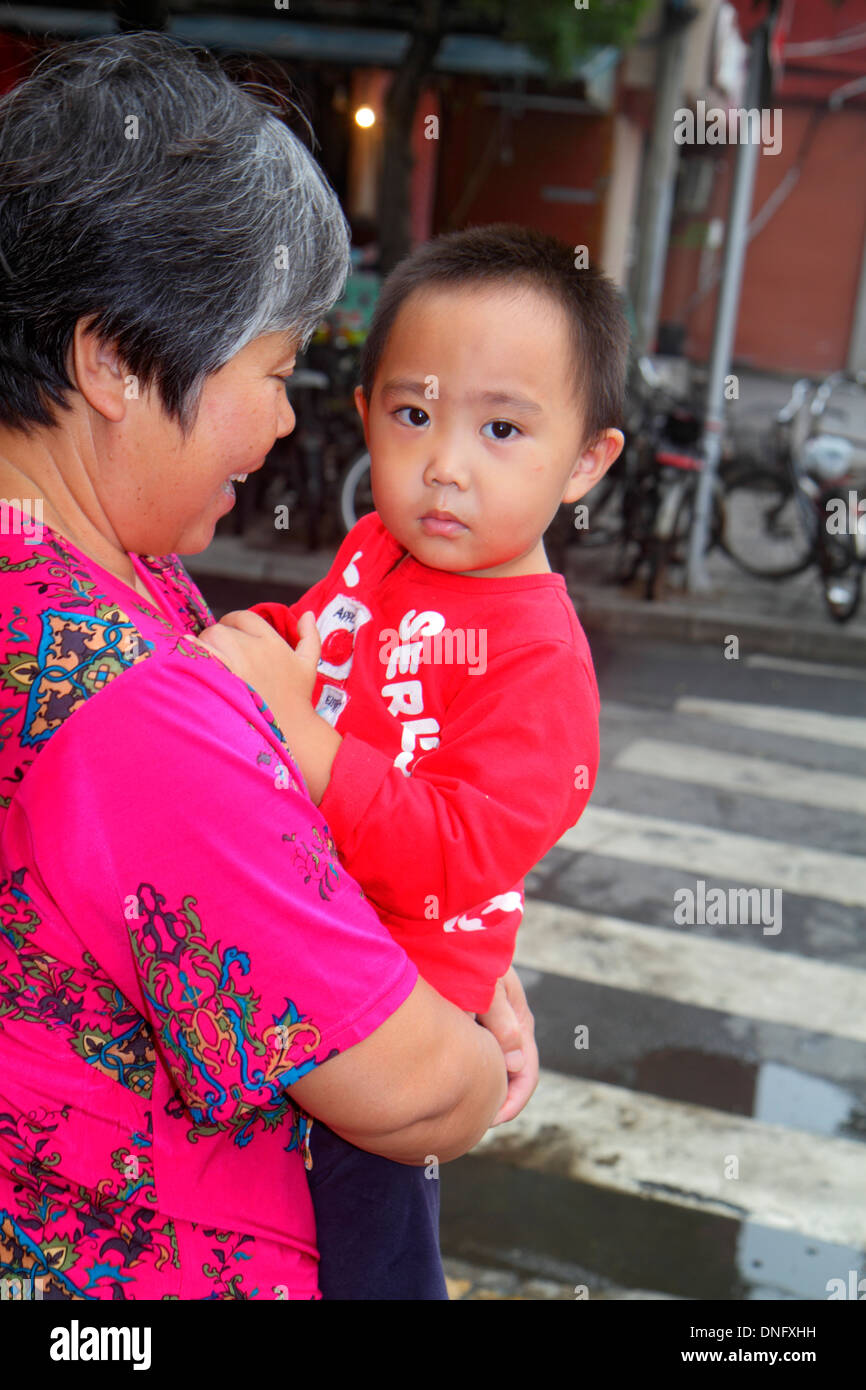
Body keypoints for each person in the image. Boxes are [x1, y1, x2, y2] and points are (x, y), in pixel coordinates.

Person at [0, 31, 513, 1302]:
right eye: (273, 371)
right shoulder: (131, 707)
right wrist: (467, 1040)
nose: (288, 420)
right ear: (112, 358)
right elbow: (407, 1094)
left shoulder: (105, 571)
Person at [197, 224, 628, 1298]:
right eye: (413, 415)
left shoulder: (539, 657)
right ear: (365, 414)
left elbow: (463, 850)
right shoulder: (379, 549)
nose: (444, 464)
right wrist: (262, 641)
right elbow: (320, 645)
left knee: (372, 1251)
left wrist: (304, 739)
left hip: (398, 1008)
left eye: (500, 428)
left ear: (585, 460)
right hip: (303, 937)